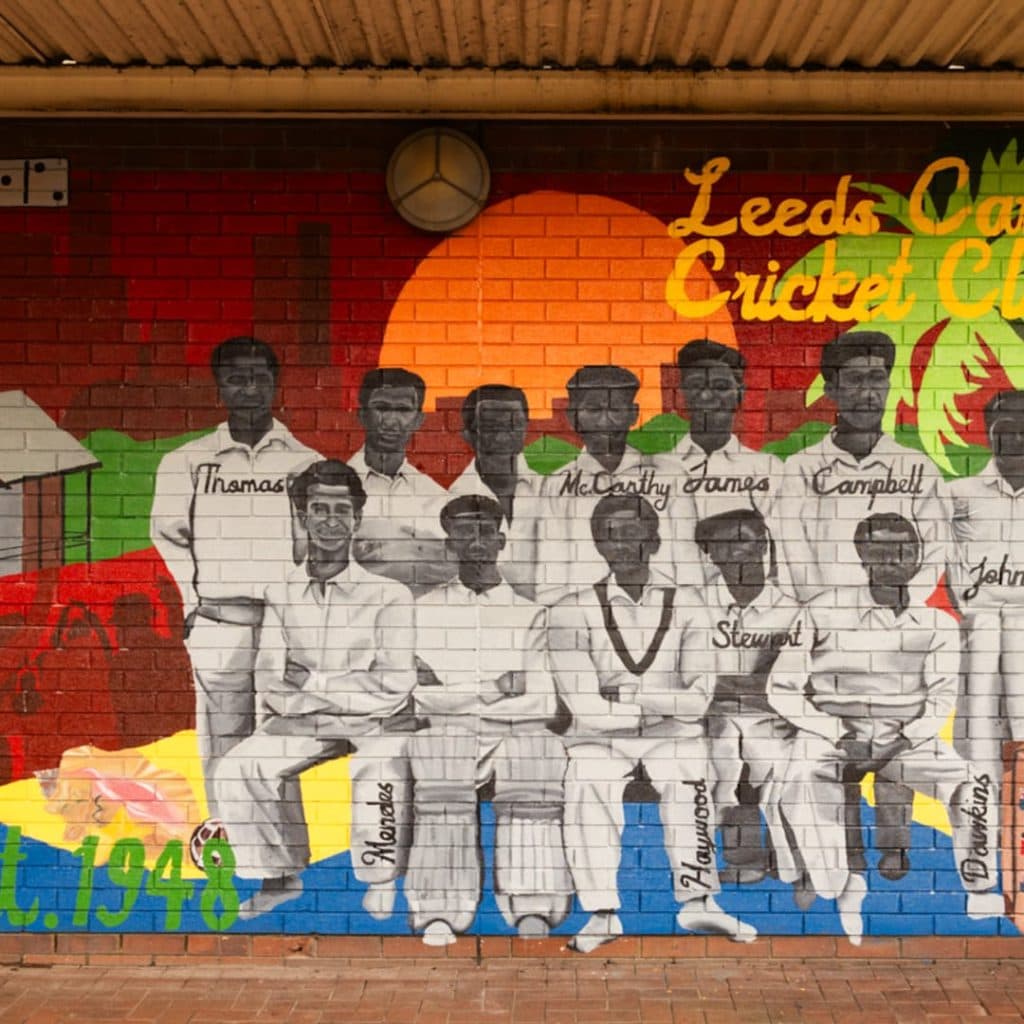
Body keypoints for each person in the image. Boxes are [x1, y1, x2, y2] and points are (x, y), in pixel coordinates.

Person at [548, 493, 757, 953]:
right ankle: (602, 913)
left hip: (674, 736)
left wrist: (629, 693)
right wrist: (662, 704)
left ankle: (698, 901)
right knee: (586, 780)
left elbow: (698, 701)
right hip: (599, 739)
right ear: (598, 545)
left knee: (689, 777)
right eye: (611, 535)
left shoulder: (689, 604)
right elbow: (586, 708)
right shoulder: (570, 609)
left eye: (634, 532)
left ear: (655, 539)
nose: (624, 544)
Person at [778, 330, 953, 878]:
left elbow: (935, 548)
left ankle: (894, 844)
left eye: (877, 378)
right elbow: (791, 549)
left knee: (895, 733)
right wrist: (829, 617)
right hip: (829, 631)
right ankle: (846, 848)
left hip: (897, 628)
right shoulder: (802, 469)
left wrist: (895, 610)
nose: (866, 391)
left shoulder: (916, 468)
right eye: (853, 379)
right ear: (831, 388)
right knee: (839, 739)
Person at [210, 460, 416, 920]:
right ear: (303, 516)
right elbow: (270, 679)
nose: (330, 521)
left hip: (376, 722)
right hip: (305, 719)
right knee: (238, 767)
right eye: (319, 509)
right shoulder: (281, 592)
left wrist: (314, 682)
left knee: (378, 766)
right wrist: (320, 697)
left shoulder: (389, 596)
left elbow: (394, 685)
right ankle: (279, 878)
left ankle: (380, 879)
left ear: (357, 519)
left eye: (341, 510)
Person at [774, 513, 1002, 922]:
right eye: (880, 551)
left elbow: (940, 700)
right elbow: (782, 687)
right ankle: (836, 884)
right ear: (862, 556)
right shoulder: (821, 610)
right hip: (831, 730)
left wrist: (899, 743)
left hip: (905, 737)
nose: (893, 560)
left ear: (917, 556)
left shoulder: (937, 623)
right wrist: (838, 734)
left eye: (904, 550)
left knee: (973, 786)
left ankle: (980, 889)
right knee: (801, 777)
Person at [150, 337, 320, 814]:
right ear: (219, 386)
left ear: (275, 384)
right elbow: (169, 534)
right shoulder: (188, 461)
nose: (250, 389)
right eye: (237, 379)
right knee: (222, 739)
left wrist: (302, 620)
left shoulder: (304, 462)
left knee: (278, 742)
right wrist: (193, 605)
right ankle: (224, 834)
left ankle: (276, 846)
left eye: (260, 378)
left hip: (283, 628)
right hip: (219, 624)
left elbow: (312, 547)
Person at [698, 507, 870, 940]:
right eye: (726, 543)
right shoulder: (692, 604)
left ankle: (806, 869)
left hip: (770, 718)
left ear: (765, 545)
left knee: (794, 773)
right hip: (705, 717)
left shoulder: (792, 609)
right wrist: (735, 685)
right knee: (712, 763)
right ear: (709, 554)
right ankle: (742, 861)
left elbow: (790, 684)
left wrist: (735, 684)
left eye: (749, 540)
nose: (741, 551)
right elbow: (685, 676)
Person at [406, 494, 570, 946]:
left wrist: (451, 692)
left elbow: (542, 702)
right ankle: (440, 910)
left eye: (484, 532)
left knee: (535, 753)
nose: (475, 541)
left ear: (501, 540)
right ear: (449, 545)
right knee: (440, 757)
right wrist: (495, 688)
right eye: (463, 532)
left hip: (516, 732)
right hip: (447, 733)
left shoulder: (532, 614)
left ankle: (533, 904)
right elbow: (416, 697)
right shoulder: (419, 611)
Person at [535, 365, 690, 603]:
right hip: (587, 615)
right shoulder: (557, 485)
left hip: (664, 611)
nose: (605, 420)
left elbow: (689, 562)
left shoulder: (669, 476)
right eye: (593, 409)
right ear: (573, 416)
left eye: (616, 409)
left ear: (633, 414)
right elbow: (551, 573)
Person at [950, 389, 1024, 811]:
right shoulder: (960, 493)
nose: (1015, 439)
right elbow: (937, 553)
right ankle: (982, 817)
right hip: (977, 628)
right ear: (988, 430)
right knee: (978, 728)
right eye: (1005, 429)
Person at [669, 340, 783, 587]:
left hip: (744, 600)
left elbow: (781, 551)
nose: (707, 396)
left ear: (739, 393)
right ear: (681, 394)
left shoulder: (767, 468)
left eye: (721, 386)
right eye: (696, 386)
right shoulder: (659, 469)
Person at [347, 367, 452, 590]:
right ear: (362, 415)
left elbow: (449, 568)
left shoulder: (435, 496)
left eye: (403, 410)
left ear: (419, 420)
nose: (391, 421)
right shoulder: (333, 487)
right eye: (381, 408)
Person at [447, 384, 542, 598]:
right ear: (468, 435)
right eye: (490, 427)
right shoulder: (451, 500)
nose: (502, 437)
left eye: (513, 425)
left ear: (526, 429)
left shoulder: (549, 492)